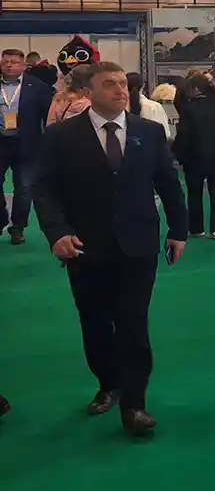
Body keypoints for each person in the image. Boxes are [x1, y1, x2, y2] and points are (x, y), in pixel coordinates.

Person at [31, 62, 188, 435]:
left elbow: (168, 183)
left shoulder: (149, 132)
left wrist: (178, 229)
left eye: (122, 83)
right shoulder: (61, 136)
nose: (120, 90)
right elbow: (46, 188)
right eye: (110, 84)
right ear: (89, 93)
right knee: (96, 322)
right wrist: (57, 232)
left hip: (138, 244)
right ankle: (108, 383)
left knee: (133, 323)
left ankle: (135, 405)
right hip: (85, 246)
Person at [0, 46, 54, 245]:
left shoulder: (38, 87)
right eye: (5, 62)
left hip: (28, 143)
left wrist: (48, 142)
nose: (9, 66)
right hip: (1, 141)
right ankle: (1, 219)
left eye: (14, 62)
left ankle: (18, 227)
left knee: (24, 188)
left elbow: (47, 116)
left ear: (23, 66)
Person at [173, 73, 215, 239]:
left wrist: (179, 155)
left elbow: (183, 136)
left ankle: (196, 228)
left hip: (193, 158)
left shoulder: (188, 110)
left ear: (195, 89)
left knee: (194, 193)